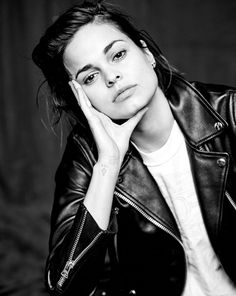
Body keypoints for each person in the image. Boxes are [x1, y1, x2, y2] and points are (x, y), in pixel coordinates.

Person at [32, 0, 236, 295]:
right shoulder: (88, 159)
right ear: (80, 98)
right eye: (90, 77)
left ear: (147, 53)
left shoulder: (229, 113)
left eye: (118, 54)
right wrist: (108, 165)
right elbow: (64, 286)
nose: (111, 77)